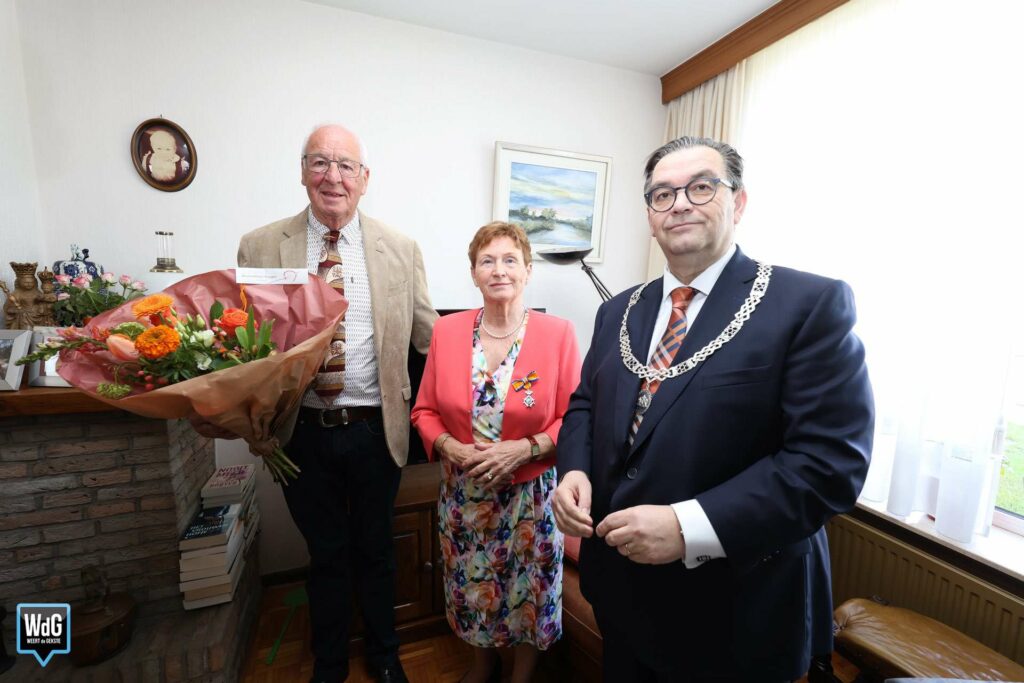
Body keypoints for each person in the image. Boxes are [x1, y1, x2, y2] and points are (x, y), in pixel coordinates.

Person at [553, 136, 873, 682]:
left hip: (734, 609)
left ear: (738, 202)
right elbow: (585, 403)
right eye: (662, 194)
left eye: (700, 187)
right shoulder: (618, 311)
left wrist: (687, 527)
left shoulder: (807, 305)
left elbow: (828, 465)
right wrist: (574, 470)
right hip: (621, 593)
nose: (679, 203)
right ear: (650, 216)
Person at [236, 124, 436, 683]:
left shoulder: (400, 248)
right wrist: (249, 418)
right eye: (320, 162)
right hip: (300, 432)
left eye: (346, 165)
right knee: (324, 554)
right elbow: (242, 346)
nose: (333, 176)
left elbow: (430, 336)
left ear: (365, 179)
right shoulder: (259, 246)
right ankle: (329, 663)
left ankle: (385, 655)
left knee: (376, 550)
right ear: (303, 172)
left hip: (376, 430)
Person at [411, 222, 581, 683]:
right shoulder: (446, 331)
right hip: (464, 497)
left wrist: (524, 449)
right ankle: (482, 666)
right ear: (474, 273)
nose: (499, 270)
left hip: (530, 500)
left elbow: (574, 417)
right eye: (487, 261)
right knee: (470, 590)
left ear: (527, 271)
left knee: (529, 592)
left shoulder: (558, 334)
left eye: (510, 260)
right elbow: (424, 411)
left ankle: (521, 675)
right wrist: (451, 447)